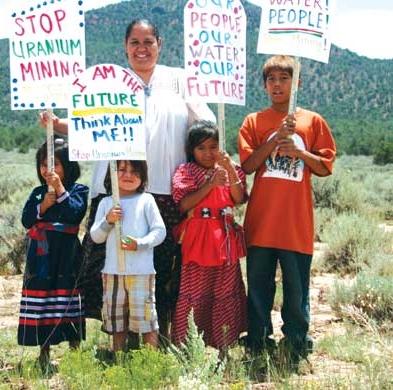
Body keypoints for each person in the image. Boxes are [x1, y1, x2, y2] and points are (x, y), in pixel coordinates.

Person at [40, 18, 216, 338]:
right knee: (108, 262)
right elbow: (88, 124)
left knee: (161, 263)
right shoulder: (110, 82)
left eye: (148, 42)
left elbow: (206, 124)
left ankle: (156, 333)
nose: (141, 49)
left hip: (165, 190)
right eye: (135, 42)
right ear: (125, 46)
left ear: (160, 44)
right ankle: (119, 332)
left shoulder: (179, 81)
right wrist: (56, 123)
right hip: (116, 189)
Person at [238, 55, 336, 364]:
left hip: (296, 223)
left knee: (297, 289)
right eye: (272, 79)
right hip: (262, 222)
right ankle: (258, 339)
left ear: (297, 83)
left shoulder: (313, 121)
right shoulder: (253, 121)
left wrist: (300, 152)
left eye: (284, 78)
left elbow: (325, 166)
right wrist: (275, 140)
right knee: (258, 285)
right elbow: (248, 165)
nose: (277, 84)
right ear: (265, 85)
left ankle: (296, 342)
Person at [171, 121, 248, 352]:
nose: (207, 153)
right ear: (191, 149)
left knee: (225, 290)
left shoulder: (231, 168)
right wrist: (210, 184)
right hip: (198, 238)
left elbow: (239, 198)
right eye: (201, 148)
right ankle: (188, 346)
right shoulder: (186, 172)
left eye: (213, 147)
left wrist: (229, 170)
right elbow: (184, 204)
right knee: (195, 291)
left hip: (224, 239)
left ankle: (225, 345)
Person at [18, 139, 89, 371]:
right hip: (42, 256)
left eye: (55, 164)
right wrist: (43, 207)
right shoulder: (38, 193)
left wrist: (60, 191)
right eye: (43, 164)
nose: (48, 170)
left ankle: (75, 352)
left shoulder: (79, 191)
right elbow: (26, 220)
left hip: (67, 255)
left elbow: (75, 214)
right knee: (44, 299)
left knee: (69, 298)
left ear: (68, 165)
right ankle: (44, 352)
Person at [90, 160, 166, 352]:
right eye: (122, 170)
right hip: (113, 272)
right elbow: (96, 237)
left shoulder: (146, 200)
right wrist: (108, 221)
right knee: (117, 321)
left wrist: (139, 244)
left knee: (146, 319)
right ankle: (119, 358)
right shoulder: (106, 203)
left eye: (134, 171)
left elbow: (160, 231)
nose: (128, 175)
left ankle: (151, 360)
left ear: (143, 176)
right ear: (111, 174)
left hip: (141, 272)